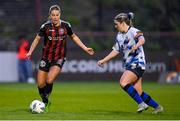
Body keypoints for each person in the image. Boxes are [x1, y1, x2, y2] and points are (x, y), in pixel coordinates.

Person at [26, 5, 94, 112]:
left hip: (59, 57)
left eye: (57, 15)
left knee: (50, 79)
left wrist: (85, 48)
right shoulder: (45, 27)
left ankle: (45, 103)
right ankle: (45, 100)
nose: (55, 17)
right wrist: (30, 52)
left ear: (60, 15)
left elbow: (74, 37)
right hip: (45, 57)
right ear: (50, 16)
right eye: (53, 15)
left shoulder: (66, 26)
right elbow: (36, 39)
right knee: (40, 84)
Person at [97, 12, 163, 114]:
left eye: (116, 24)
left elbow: (142, 40)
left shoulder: (133, 31)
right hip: (129, 64)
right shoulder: (119, 36)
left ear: (122, 23)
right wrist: (103, 60)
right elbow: (116, 51)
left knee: (123, 82)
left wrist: (136, 46)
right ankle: (157, 107)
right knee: (139, 93)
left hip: (137, 62)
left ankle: (141, 104)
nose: (115, 26)